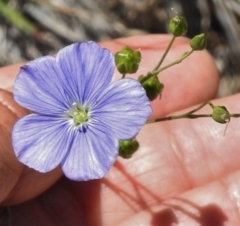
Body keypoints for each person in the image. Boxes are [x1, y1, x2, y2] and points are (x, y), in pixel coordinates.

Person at [0, 34, 238, 225]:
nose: (79, 115)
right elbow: (36, 80)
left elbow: (127, 111)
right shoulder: (38, 85)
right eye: (78, 115)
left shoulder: (117, 100)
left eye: (81, 114)